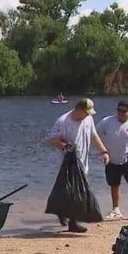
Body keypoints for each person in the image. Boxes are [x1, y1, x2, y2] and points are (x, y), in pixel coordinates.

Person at [47, 98, 110, 232]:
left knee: (78, 192)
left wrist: (104, 151)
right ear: (79, 109)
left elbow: (94, 136)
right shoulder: (63, 121)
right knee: (70, 192)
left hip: (82, 162)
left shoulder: (88, 119)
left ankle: (65, 215)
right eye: (86, 112)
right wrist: (64, 146)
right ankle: (71, 222)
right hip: (64, 162)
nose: (88, 115)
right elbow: (52, 139)